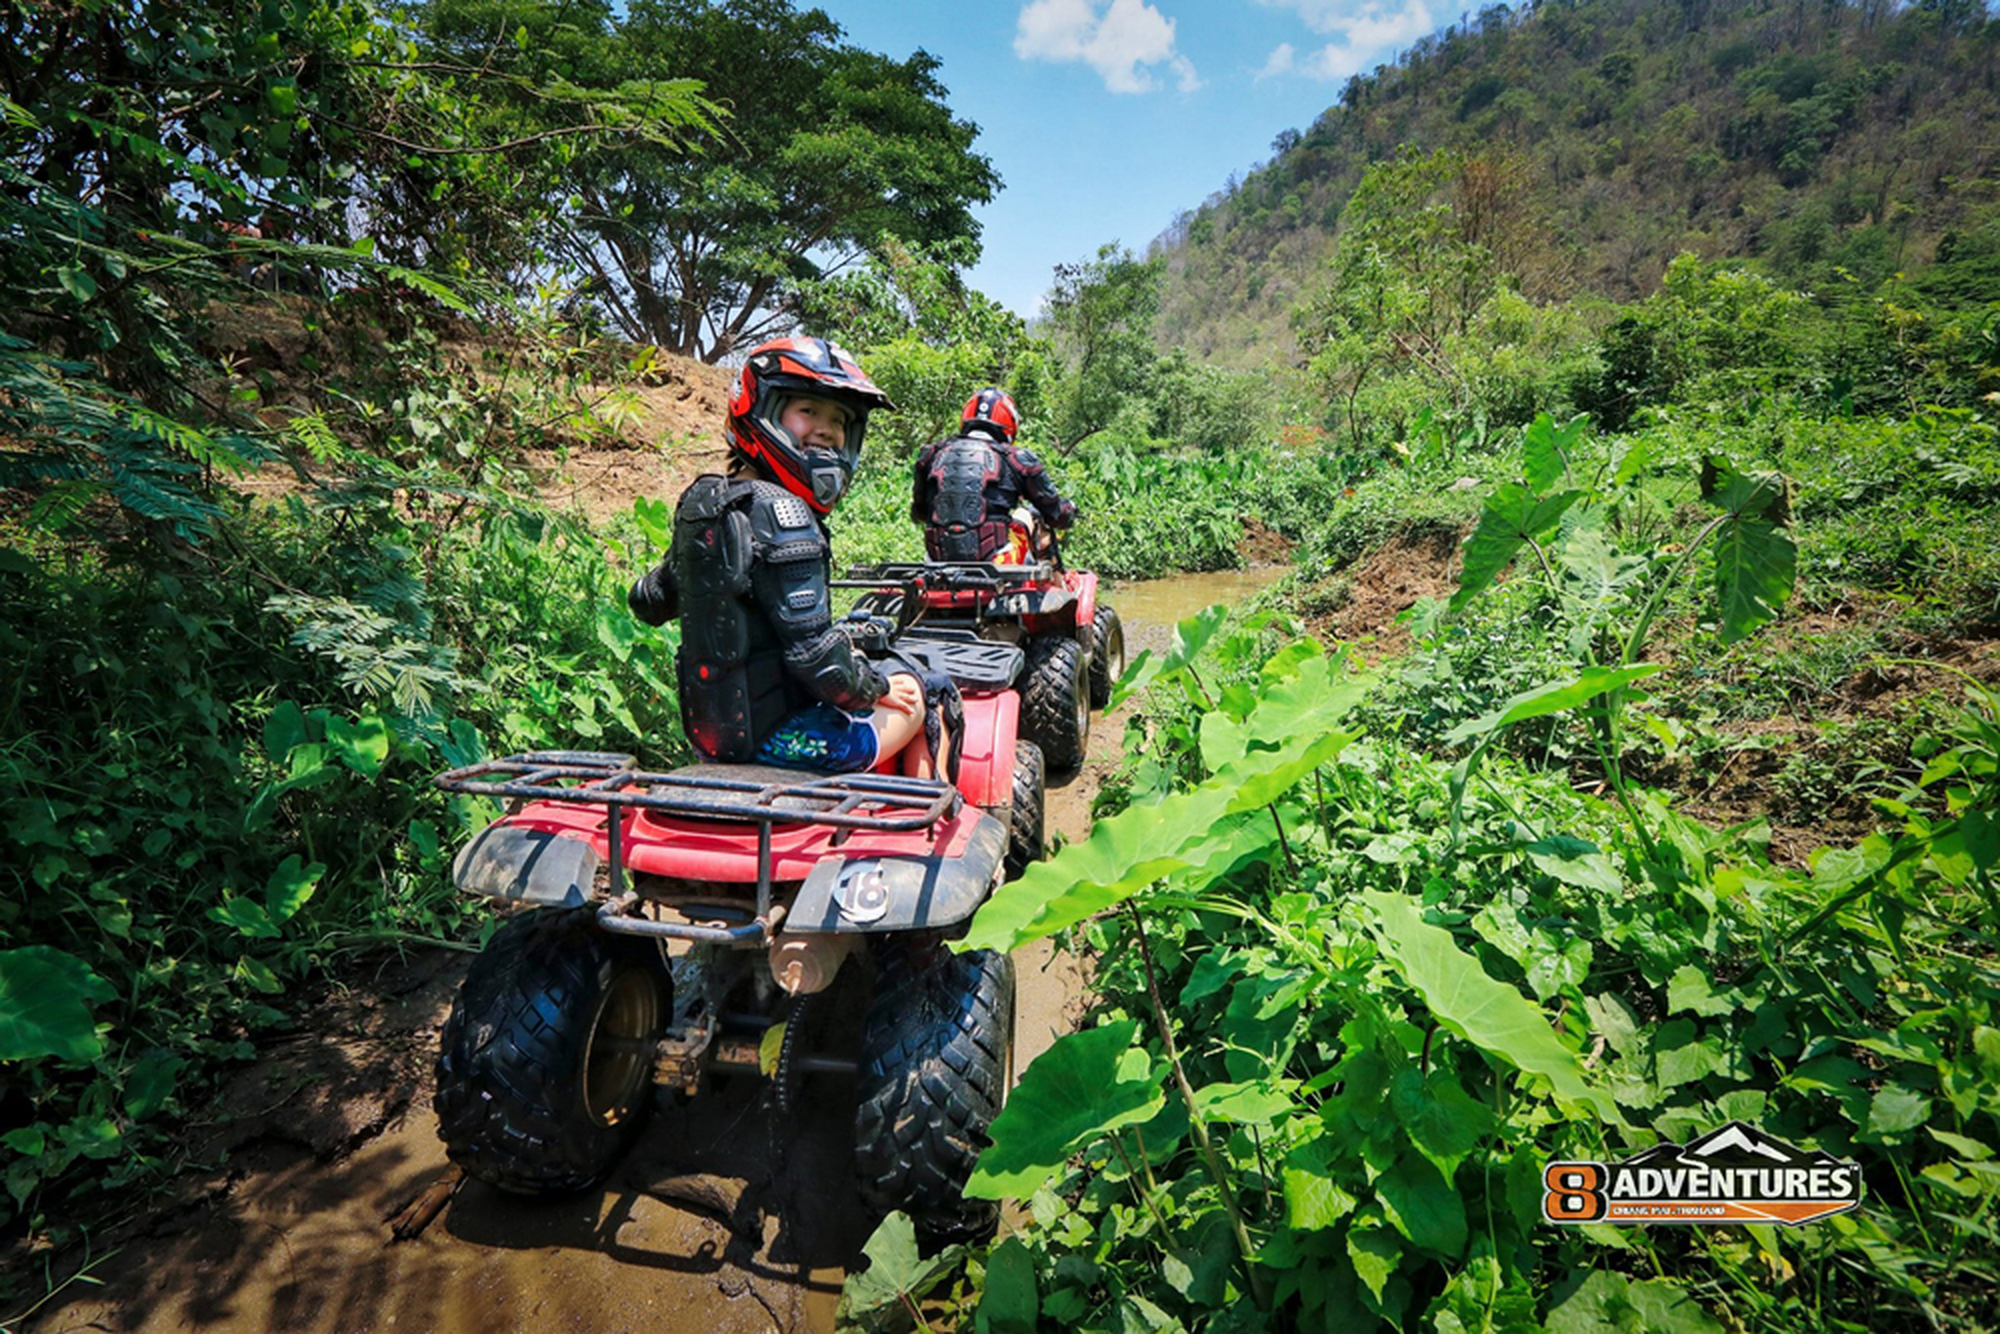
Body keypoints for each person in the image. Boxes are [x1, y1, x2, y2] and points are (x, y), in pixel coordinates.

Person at [628, 336, 938, 775]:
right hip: (792, 741)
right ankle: (931, 807)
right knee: (921, 696)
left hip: (713, 739)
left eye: (839, 420)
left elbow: (649, 601)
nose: (827, 430)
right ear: (761, 411)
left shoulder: (704, 502)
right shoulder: (784, 513)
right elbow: (818, 661)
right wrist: (880, 686)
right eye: (808, 410)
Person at [910, 388, 1077, 563]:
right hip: (996, 562)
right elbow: (1056, 515)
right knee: (1028, 515)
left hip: (936, 561)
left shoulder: (931, 454)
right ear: (1009, 423)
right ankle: (1055, 578)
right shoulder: (1018, 459)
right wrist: (1070, 509)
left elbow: (919, 513)